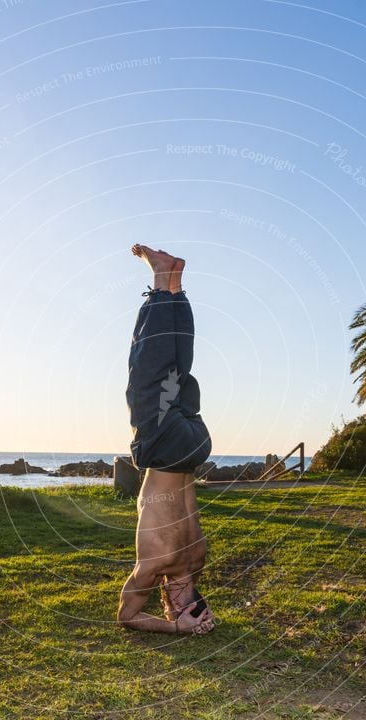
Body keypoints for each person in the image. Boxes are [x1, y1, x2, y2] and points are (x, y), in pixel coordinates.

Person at [117, 244, 215, 636]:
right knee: (149, 368)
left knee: (177, 366)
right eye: (180, 606)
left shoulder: (198, 558)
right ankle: (162, 280)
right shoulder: (156, 565)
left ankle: (174, 284)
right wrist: (177, 627)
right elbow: (126, 617)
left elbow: (139, 612)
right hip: (165, 450)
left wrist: (188, 613)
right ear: (177, 603)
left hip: (195, 447)